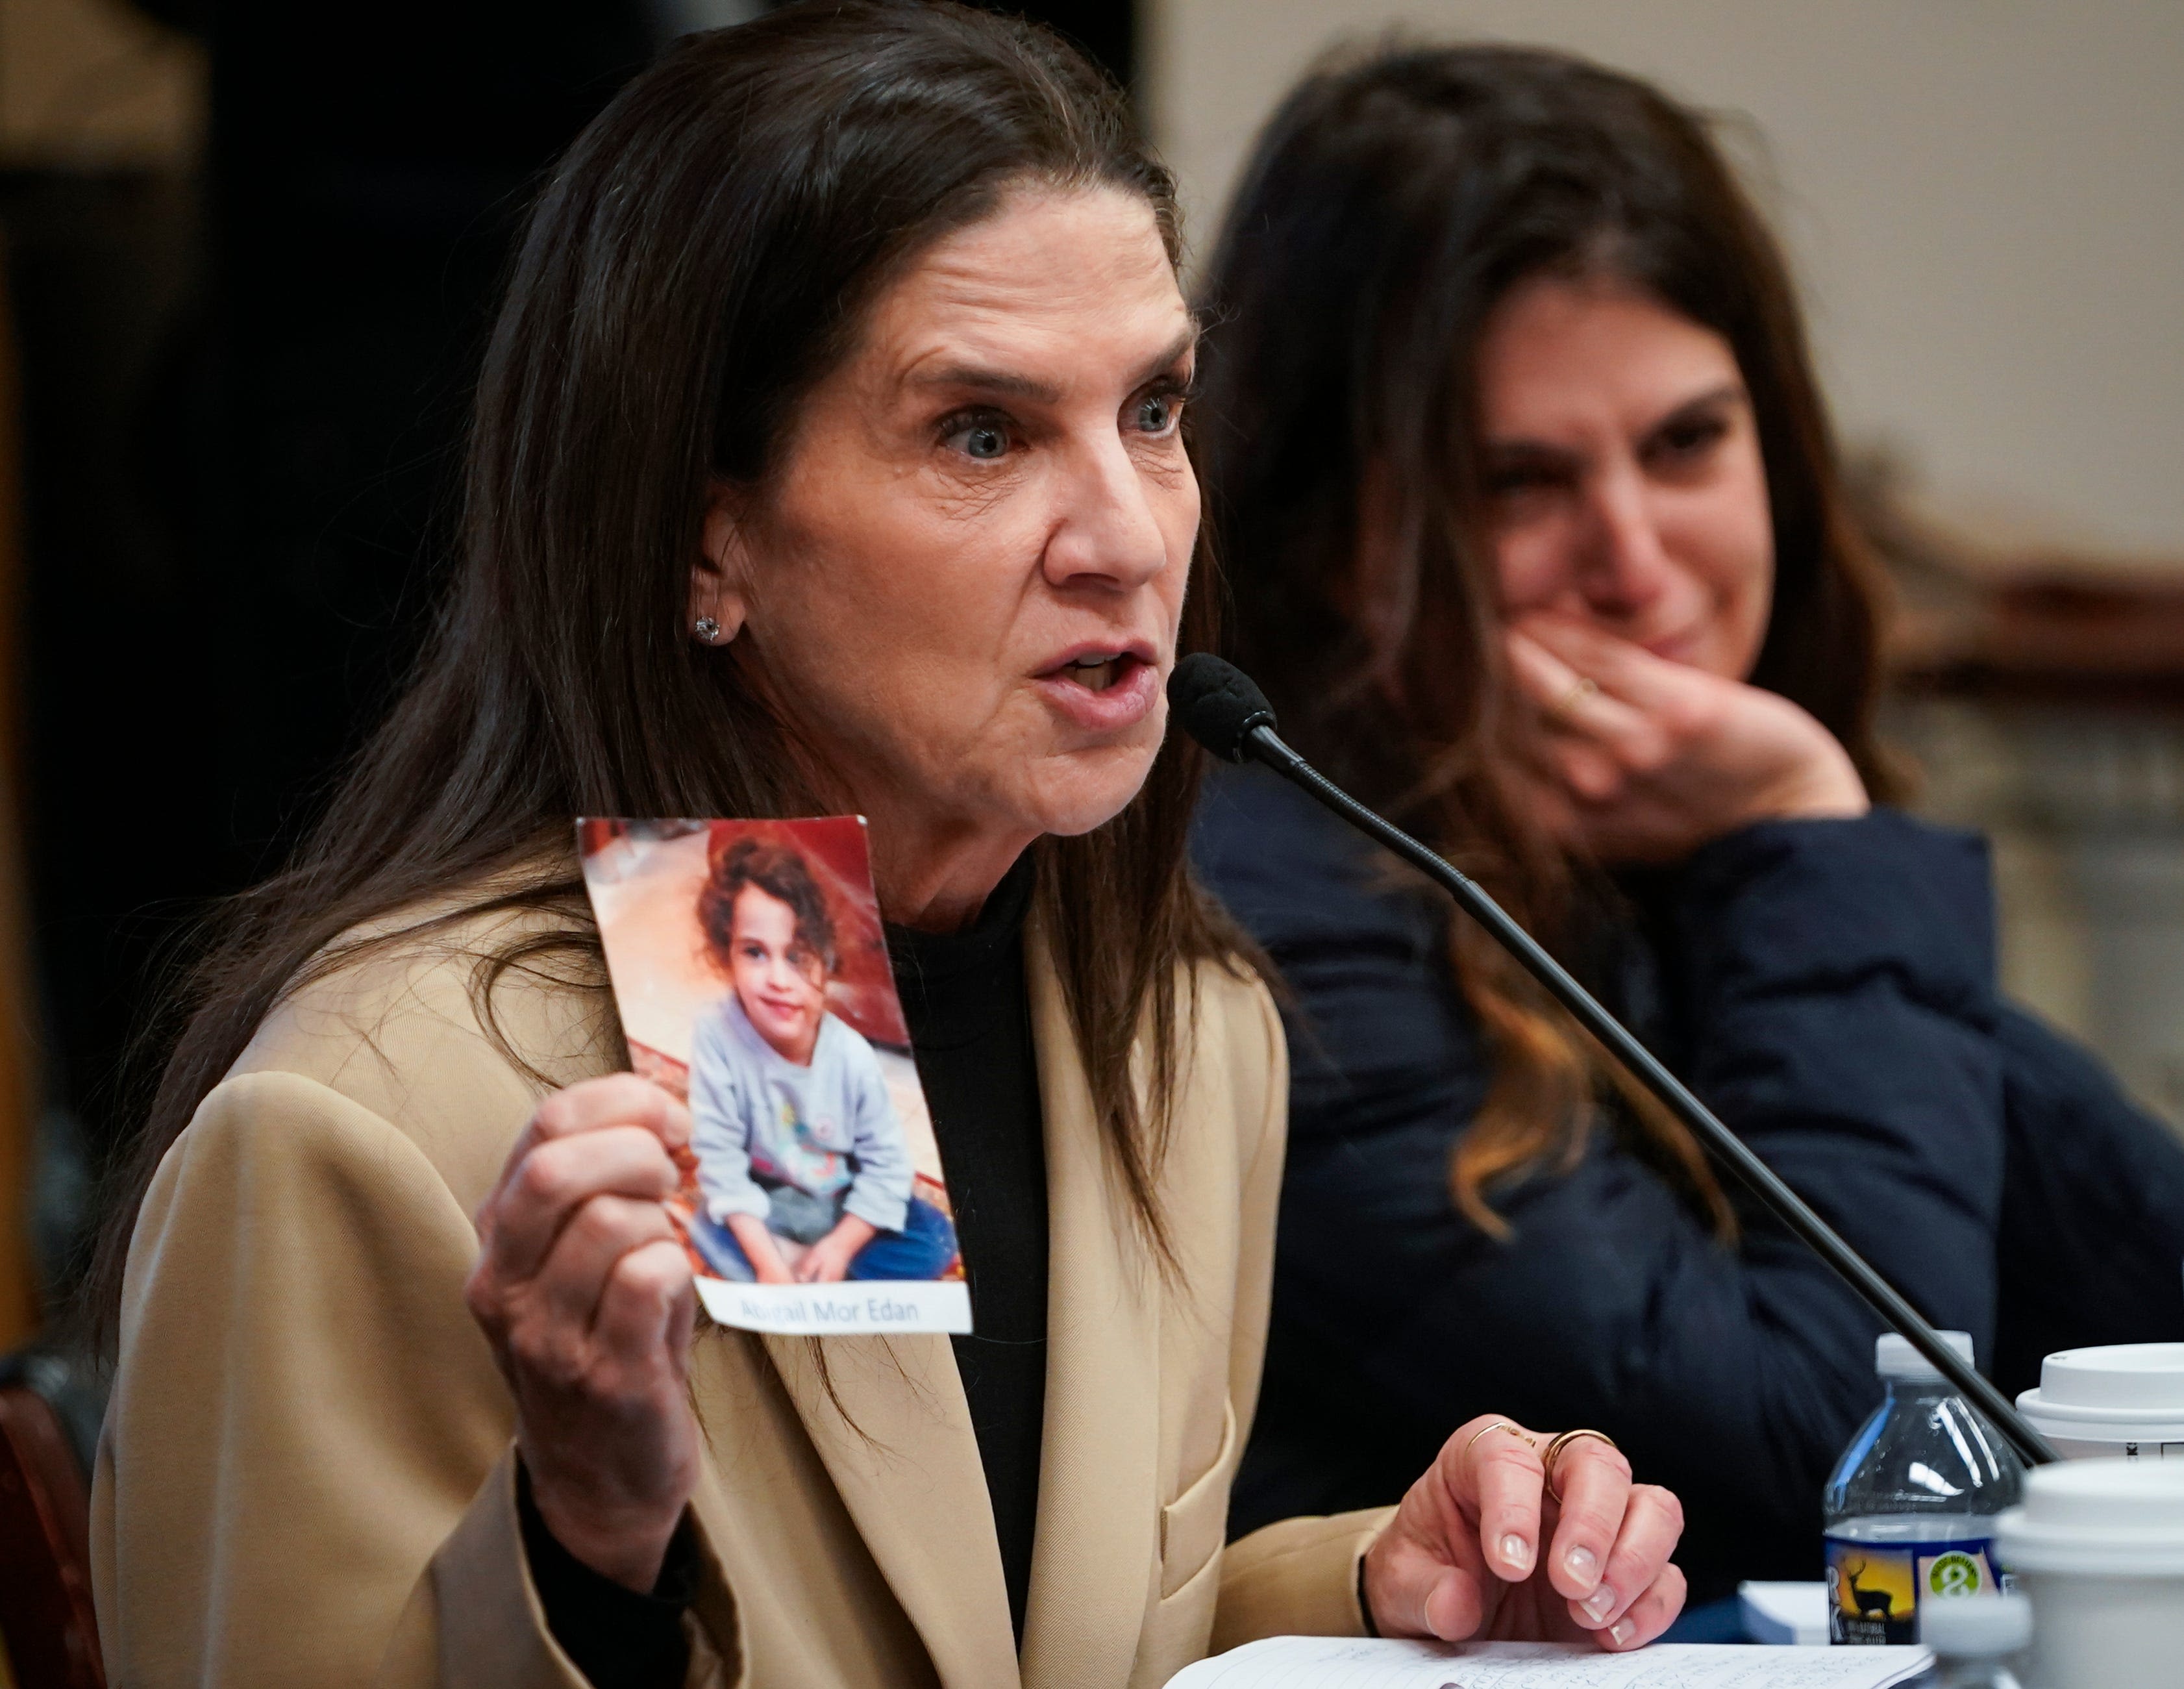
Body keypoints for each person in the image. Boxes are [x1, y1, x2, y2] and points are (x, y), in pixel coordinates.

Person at [85, 10, 1688, 1687]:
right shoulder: (364, 1126)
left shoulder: (1182, 1028)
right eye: (981, 435)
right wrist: (585, 1556)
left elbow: (1009, 1636)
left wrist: (1370, 1582)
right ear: (708, 536)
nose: (1128, 538)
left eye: (1152, 409)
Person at [1189, 42, 2184, 1614]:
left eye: (1685, 443)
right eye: (1520, 481)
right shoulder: (1275, 907)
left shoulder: (1666, 846)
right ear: (1331, 538)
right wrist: (1804, 834)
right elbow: (1845, 1452)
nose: (1637, 561)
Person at [685, 835, 954, 1284]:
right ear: (725, 951)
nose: (777, 979)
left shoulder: (850, 1054)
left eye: (797, 955)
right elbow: (723, 1161)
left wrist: (841, 1242)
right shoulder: (715, 1035)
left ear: (826, 961)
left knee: (935, 1238)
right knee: (706, 1227)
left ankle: (821, 1260)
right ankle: (789, 1256)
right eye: (754, 952)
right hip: (768, 1196)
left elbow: (886, 1166)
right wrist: (768, 1261)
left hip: (838, 1199)